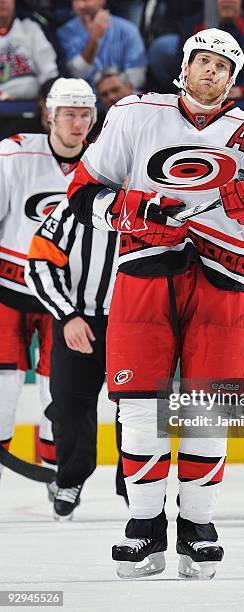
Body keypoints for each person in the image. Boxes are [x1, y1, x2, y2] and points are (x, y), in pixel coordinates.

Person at [67, 28, 244, 579]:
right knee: (141, 407)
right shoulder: (133, 116)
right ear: (184, 65)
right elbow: (81, 192)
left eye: (223, 65)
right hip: (144, 272)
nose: (211, 71)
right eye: (204, 61)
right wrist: (136, 209)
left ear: (234, 79)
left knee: (208, 408)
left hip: (227, 280)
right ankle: (143, 525)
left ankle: (198, 525)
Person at [0, 77, 96, 496]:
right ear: (50, 115)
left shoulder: (103, 164)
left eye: (84, 114)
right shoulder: (13, 154)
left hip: (65, 301)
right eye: (69, 114)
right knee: (1, 390)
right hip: (7, 291)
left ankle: (62, 478)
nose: (77, 123)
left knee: (58, 396)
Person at [25, 197, 124, 520]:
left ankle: (137, 487)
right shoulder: (74, 205)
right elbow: (38, 262)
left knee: (140, 409)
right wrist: (67, 316)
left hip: (136, 323)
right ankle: (69, 479)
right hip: (79, 320)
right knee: (69, 405)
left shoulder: (158, 199)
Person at [149, 0, 244, 97]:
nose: (227, 2)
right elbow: (182, 65)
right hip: (203, 86)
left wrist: (242, 89)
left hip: (241, 88)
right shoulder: (193, 25)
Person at [58, 0, 147, 90]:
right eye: (76, 0)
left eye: (86, 0)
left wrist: (114, 91)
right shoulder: (65, 33)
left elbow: (137, 75)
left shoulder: (128, 30)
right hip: (84, 97)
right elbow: (77, 75)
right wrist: (93, 38)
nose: (81, 5)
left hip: (123, 95)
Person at [0, 0, 58, 100]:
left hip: (35, 104)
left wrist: (46, 100)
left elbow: (50, 74)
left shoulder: (31, 28)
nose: (3, 1)